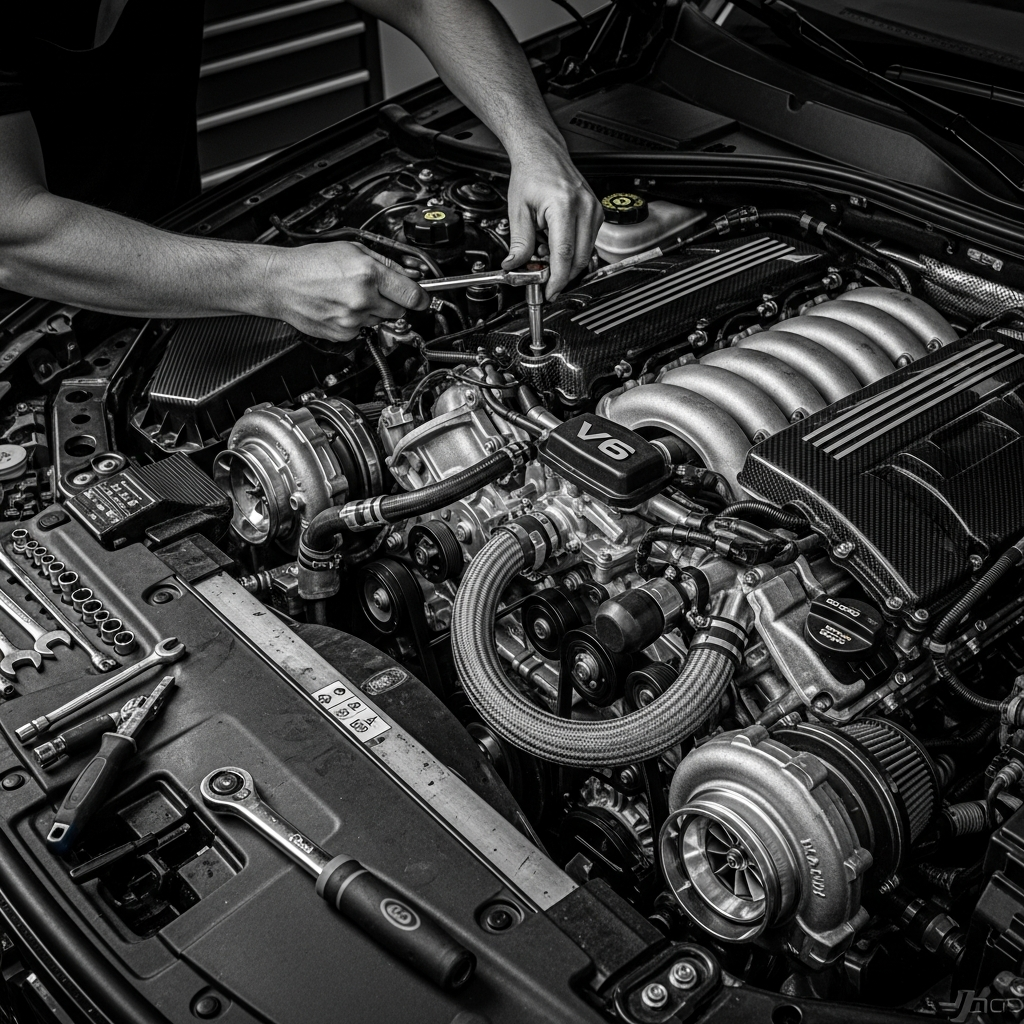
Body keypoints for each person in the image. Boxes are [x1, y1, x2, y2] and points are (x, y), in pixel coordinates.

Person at [0, 0, 603, 341]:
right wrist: (269, 278)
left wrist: (533, 143)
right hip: (23, 333)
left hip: (169, 254)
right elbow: (13, 232)